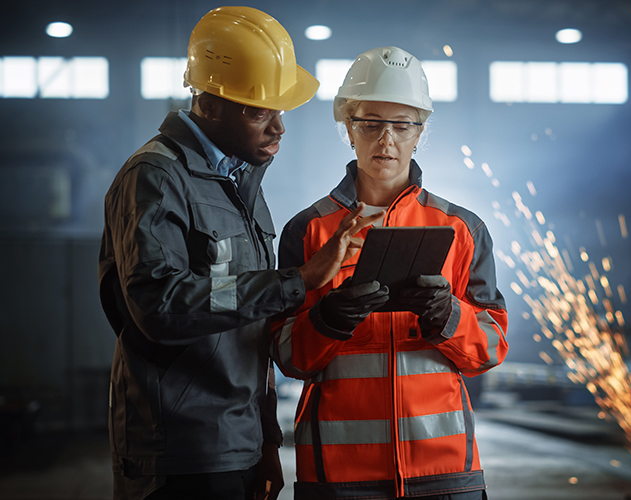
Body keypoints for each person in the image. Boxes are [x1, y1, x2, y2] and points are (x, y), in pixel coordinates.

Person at [98, 7, 383, 500]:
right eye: (258, 111)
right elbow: (159, 305)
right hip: (180, 454)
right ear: (208, 103)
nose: (278, 128)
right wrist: (296, 281)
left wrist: (267, 440)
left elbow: (247, 328)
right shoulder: (156, 178)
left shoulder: (239, 184)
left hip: (238, 444)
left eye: (280, 110)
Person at [271, 46, 509, 500]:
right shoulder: (309, 230)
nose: (387, 139)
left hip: (442, 469)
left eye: (402, 126)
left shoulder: (460, 228)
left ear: (420, 133)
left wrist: (447, 316)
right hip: (340, 474)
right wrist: (329, 320)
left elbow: (491, 348)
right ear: (348, 128)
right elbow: (287, 355)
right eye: (371, 123)